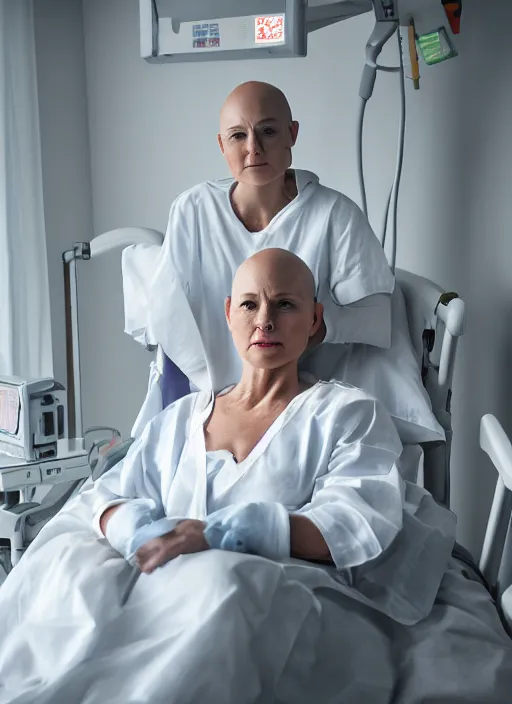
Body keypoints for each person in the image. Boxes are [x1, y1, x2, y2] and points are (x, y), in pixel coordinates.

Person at [5, 250, 505, 704]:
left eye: (285, 304)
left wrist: (222, 534)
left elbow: (356, 522)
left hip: (267, 595)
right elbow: (108, 494)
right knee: (70, 576)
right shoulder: (181, 419)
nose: (264, 319)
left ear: (314, 320)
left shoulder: (345, 414)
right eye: (249, 304)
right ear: (229, 315)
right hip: (165, 586)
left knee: (227, 589)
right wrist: (140, 529)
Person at [147, 81, 395, 395]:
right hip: (213, 395)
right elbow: (168, 321)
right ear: (222, 145)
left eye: (267, 131)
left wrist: (304, 334)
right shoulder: (192, 211)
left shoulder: (335, 215)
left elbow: (377, 322)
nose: (253, 148)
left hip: (301, 396)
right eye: (238, 135)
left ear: (292, 134)